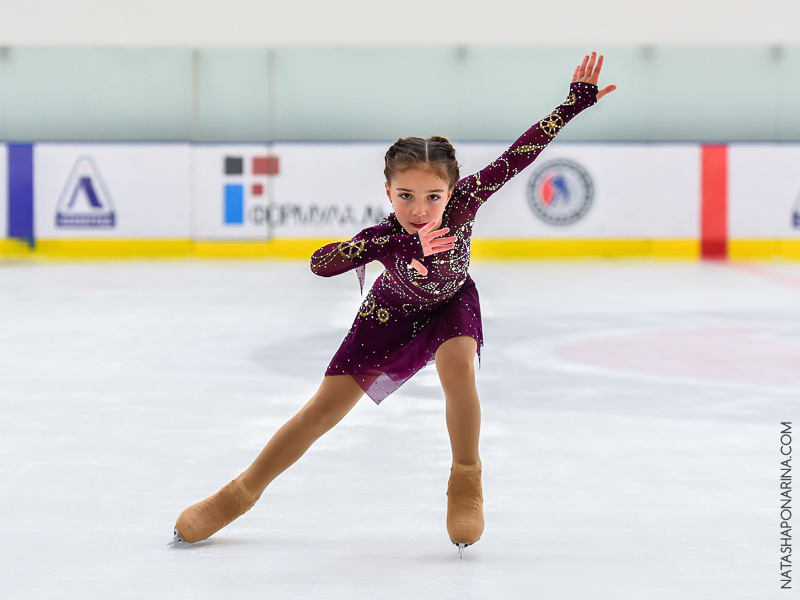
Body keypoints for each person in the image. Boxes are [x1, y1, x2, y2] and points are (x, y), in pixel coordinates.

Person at [172, 52, 616, 556]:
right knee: (321, 411)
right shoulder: (384, 236)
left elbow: (521, 154)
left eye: (433, 196)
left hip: (450, 304)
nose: (420, 209)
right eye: (405, 196)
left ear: (452, 192)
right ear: (387, 190)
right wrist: (404, 247)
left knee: (458, 369)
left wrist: (573, 104)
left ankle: (466, 476)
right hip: (387, 318)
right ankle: (239, 492)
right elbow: (321, 262)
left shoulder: (468, 202)